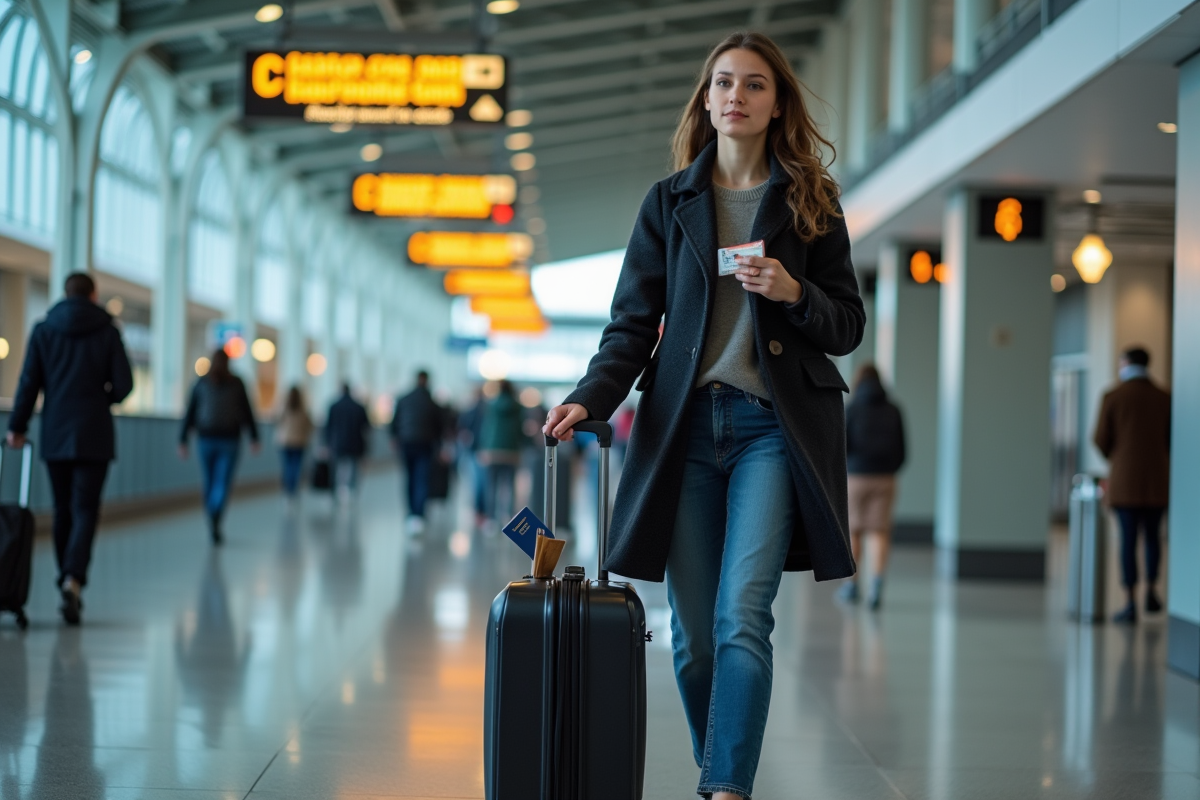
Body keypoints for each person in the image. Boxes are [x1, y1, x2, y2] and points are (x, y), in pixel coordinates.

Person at [543, 32, 863, 800]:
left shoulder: (812, 201)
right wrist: (591, 396)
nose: (735, 96)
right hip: (682, 433)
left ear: (776, 103)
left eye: (754, 85)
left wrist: (793, 292)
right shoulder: (670, 202)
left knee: (742, 615)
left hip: (771, 435)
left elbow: (846, 324)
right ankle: (720, 764)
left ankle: (726, 791)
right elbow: (631, 325)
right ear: (706, 98)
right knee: (690, 641)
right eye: (723, 82)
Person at [5, 272, 133, 625]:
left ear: (65, 294)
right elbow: (124, 386)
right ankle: (73, 579)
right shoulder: (108, 332)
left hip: (57, 432)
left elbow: (29, 381)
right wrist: (100, 397)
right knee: (86, 509)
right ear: (92, 295)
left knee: (63, 509)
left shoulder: (44, 330)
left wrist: (17, 426)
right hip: (95, 433)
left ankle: (66, 575)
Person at [1093, 346, 1171, 623]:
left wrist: (1119, 455)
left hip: (1125, 481)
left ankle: (1129, 601)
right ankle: (1152, 589)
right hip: (1158, 480)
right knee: (1153, 538)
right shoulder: (1164, 397)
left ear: (1125, 363)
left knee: (1128, 540)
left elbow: (1100, 438)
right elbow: (1172, 438)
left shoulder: (1113, 396)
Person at [838, 364, 906, 610]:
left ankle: (852, 586)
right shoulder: (894, 410)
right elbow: (902, 447)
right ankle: (877, 585)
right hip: (885, 477)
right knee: (880, 531)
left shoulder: (852, 409)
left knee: (854, 531)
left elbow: (842, 445)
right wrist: (891, 468)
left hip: (855, 477)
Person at [179, 349, 259, 544]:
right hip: (230, 439)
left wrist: (183, 439)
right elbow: (247, 410)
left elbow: (190, 412)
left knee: (209, 480)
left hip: (205, 438)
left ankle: (211, 513)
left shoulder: (201, 382)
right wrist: (254, 437)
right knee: (223, 481)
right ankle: (216, 513)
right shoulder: (237, 383)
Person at [390, 370, 444, 534]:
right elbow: (439, 426)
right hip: (425, 444)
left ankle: (411, 513)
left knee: (410, 477)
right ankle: (418, 515)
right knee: (422, 478)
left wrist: (395, 438)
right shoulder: (431, 401)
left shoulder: (404, 398)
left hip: (406, 443)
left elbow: (394, 422)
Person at [477, 380, 526, 523]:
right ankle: (509, 518)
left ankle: (491, 519)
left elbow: (486, 428)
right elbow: (520, 429)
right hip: (512, 451)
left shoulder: (491, 406)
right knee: (510, 487)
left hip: (493, 451)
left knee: (491, 486)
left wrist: (483, 447)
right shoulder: (518, 407)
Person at [325, 383, 371, 502]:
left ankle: (336, 490)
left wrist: (326, 443)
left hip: (337, 443)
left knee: (336, 467)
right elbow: (366, 427)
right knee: (354, 468)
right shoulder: (359, 407)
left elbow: (328, 427)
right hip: (355, 443)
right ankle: (351, 490)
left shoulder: (334, 406)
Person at [275, 386, 314, 505]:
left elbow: (276, 420)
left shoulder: (284, 408)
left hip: (285, 441)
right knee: (296, 467)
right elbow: (310, 426)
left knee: (287, 466)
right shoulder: (303, 410)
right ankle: (293, 490)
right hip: (299, 442)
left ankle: (287, 489)